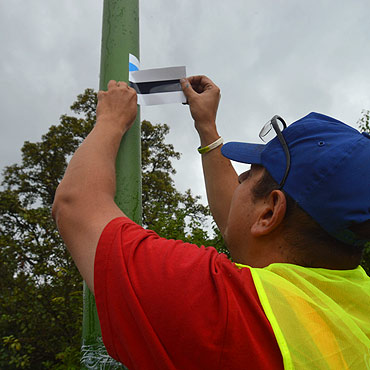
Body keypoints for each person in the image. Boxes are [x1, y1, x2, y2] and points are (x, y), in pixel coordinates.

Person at [52, 76, 370, 370]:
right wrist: (207, 127)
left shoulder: (222, 314)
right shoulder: (354, 300)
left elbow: (77, 205)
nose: (241, 178)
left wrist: (110, 119)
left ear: (270, 212)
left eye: (250, 172)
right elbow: (242, 227)